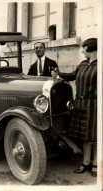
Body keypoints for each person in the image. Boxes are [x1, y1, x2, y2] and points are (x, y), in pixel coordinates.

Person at [52, 38, 97, 177]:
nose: (82, 50)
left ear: (90, 48)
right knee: (85, 137)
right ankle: (85, 163)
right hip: (80, 104)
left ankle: (96, 164)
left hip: (94, 105)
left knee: (95, 136)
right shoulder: (83, 64)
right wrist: (58, 75)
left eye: (84, 48)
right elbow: (72, 76)